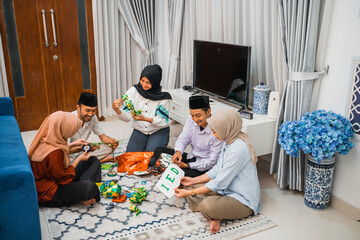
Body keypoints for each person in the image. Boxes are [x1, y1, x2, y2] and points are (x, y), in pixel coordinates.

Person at [174, 108, 261, 234]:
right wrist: (192, 180)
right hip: (226, 191)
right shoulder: (228, 140)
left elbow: (219, 182)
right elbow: (216, 170)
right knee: (190, 186)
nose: (213, 134)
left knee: (206, 206)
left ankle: (217, 214)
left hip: (243, 200)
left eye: (215, 131)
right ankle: (218, 212)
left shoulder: (238, 149)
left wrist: (189, 193)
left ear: (225, 128)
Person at [29, 111, 101, 207]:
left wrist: (72, 145)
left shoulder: (45, 139)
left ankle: (80, 189)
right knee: (91, 187)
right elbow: (63, 178)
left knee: (92, 160)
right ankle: (81, 195)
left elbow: (57, 153)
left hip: (52, 180)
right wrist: (78, 159)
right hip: (50, 193)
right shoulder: (55, 152)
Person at [149, 95, 223, 177]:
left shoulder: (218, 129)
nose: (195, 119)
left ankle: (173, 170)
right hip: (191, 158)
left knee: (180, 174)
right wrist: (178, 151)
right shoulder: (191, 119)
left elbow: (211, 162)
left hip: (204, 168)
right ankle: (174, 170)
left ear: (208, 112)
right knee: (159, 151)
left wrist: (187, 166)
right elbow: (184, 137)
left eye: (198, 116)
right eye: (192, 115)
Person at [112, 64, 172, 152]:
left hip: (158, 130)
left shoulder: (164, 95)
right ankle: (149, 145)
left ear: (155, 81)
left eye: (148, 82)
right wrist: (116, 109)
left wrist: (146, 119)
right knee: (131, 156)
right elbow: (127, 118)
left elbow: (163, 121)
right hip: (140, 130)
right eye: (142, 80)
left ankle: (160, 145)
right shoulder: (133, 91)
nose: (144, 84)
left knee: (151, 160)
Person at [69, 92, 119, 163]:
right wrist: (83, 148)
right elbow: (64, 150)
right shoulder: (68, 121)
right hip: (69, 157)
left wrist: (112, 141)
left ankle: (90, 161)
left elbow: (102, 137)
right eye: (87, 110)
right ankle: (100, 160)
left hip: (84, 151)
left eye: (94, 111)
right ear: (78, 107)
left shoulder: (93, 117)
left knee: (110, 147)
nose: (90, 114)